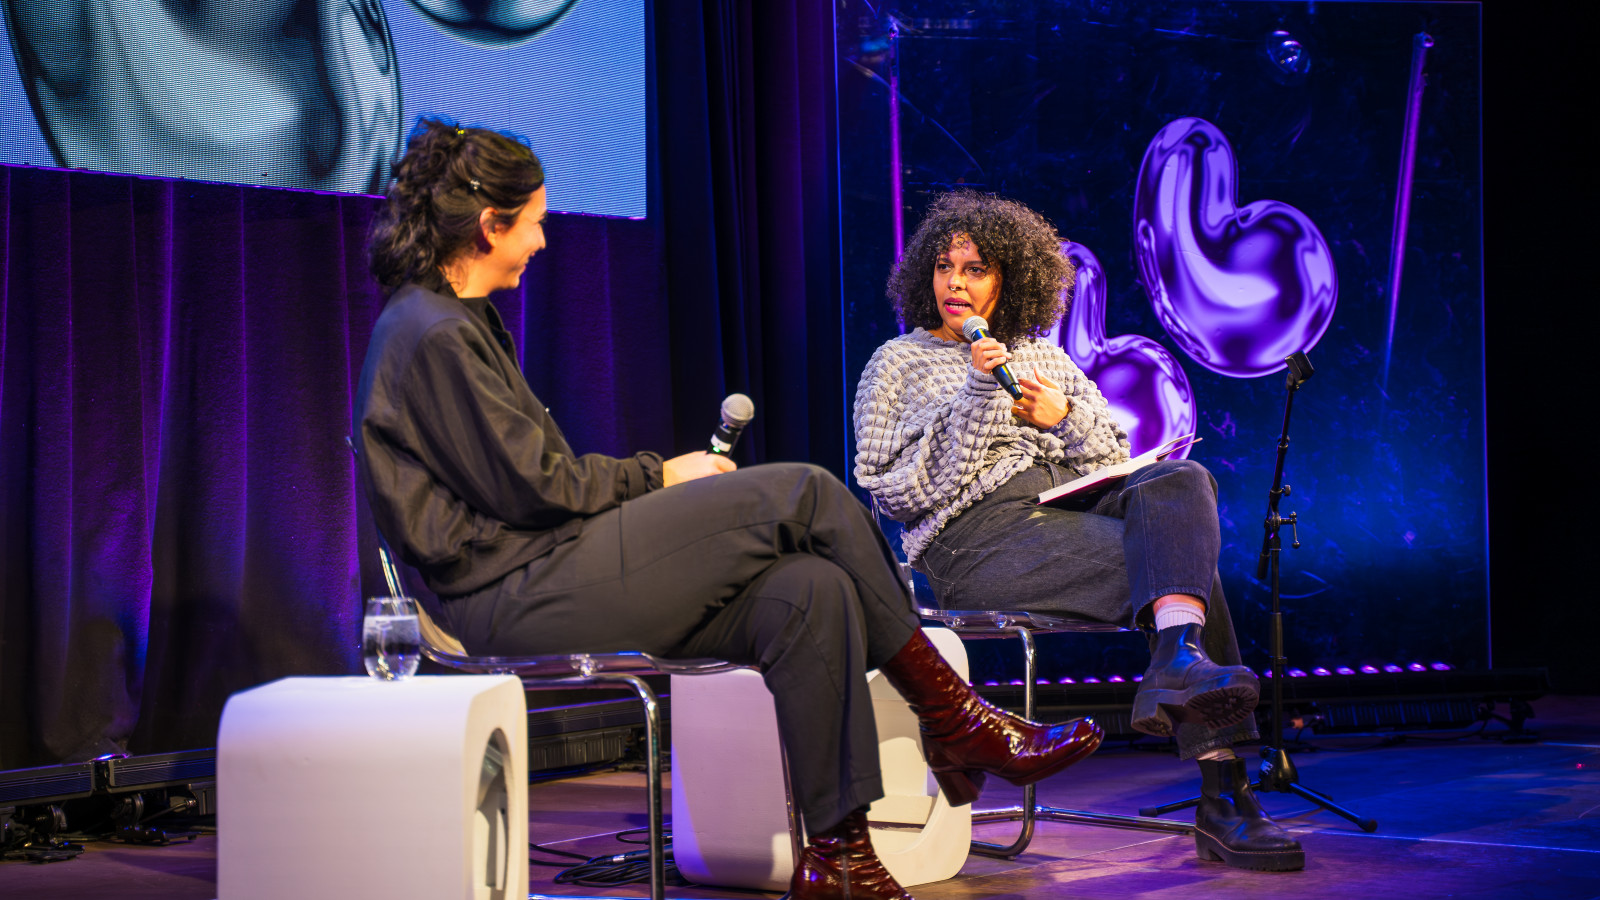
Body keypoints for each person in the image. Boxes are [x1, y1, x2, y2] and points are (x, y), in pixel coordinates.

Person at [353, 119, 1104, 899]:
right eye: (535, 222)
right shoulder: (431, 332)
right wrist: (661, 476)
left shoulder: (456, 320)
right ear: (490, 224)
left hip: (545, 564)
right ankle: (956, 721)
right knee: (807, 493)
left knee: (810, 591)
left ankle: (841, 862)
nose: (543, 240)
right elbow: (534, 487)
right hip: (511, 592)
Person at [853, 190, 1305, 872]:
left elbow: (1110, 458)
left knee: (1180, 481)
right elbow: (896, 493)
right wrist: (977, 395)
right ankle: (1224, 788)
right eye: (945, 267)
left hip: (1066, 507)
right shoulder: (896, 363)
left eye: (974, 269)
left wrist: (1063, 416)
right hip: (971, 537)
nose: (955, 283)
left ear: (1010, 279)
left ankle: (1178, 661)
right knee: (1180, 568)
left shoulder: (1044, 355)